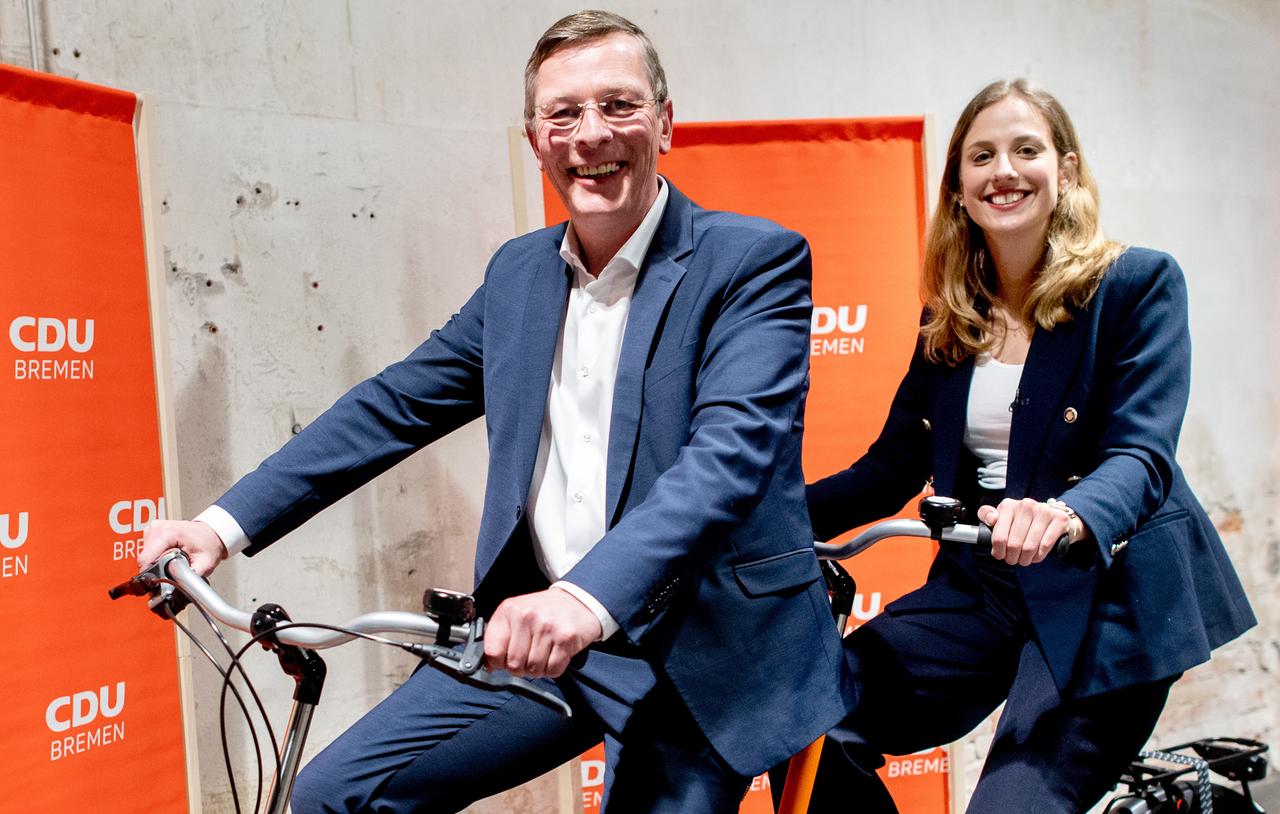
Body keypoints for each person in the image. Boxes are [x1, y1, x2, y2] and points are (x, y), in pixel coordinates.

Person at [140, 10, 847, 814]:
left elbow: (728, 459)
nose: (590, 134)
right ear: (534, 138)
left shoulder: (751, 260)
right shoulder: (520, 274)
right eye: (563, 114)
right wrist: (219, 526)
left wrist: (583, 601)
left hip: (699, 645)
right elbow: (395, 405)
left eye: (618, 105)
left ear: (665, 122)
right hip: (538, 637)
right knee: (333, 796)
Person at [798, 79, 1255, 812]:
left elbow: (1139, 456)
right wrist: (759, 523)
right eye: (982, 156)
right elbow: (890, 468)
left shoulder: (1134, 286)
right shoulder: (952, 315)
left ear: (1065, 170)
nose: (1003, 170)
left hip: (1104, 590)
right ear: (959, 187)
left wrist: (1066, 515)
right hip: (985, 587)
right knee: (808, 720)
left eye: (1025, 150)